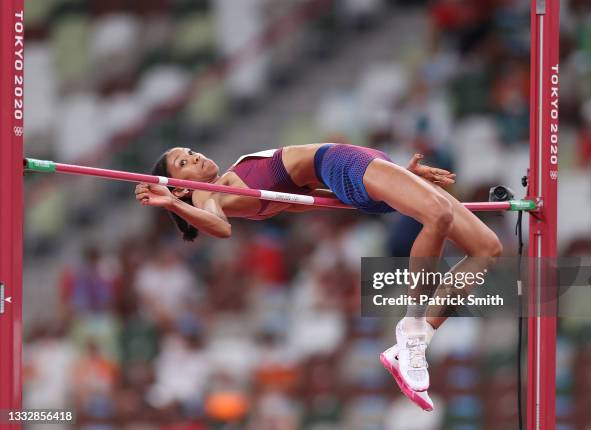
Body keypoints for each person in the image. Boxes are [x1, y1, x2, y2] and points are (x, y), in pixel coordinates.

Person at [134, 143, 502, 410]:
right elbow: (219, 227)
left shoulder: (228, 186)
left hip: (355, 170)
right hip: (344, 164)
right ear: (180, 186)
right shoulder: (215, 195)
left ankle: (416, 337)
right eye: (183, 162)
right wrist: (171, 202)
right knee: (437, 217)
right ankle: (412, 328)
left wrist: (402, 182)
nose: (195, 156)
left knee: (487, 248)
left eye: (190, 151)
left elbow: (306, 189)